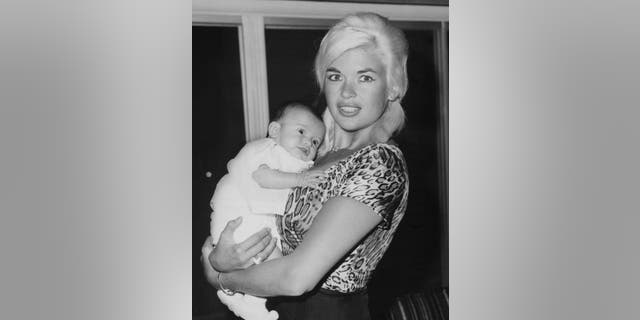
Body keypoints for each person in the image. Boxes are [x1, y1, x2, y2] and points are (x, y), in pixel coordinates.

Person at [202, 12, 410, 320]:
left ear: (392, 88)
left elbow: (296, 278)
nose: (347, 92)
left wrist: (221, 278)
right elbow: (236, 208)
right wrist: (221, 256)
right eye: (335, 75)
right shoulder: (315, 154)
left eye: (365, 77)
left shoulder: (380, 162)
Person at [209, 102, 326, 320]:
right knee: (274, 264)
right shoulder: (265, 150)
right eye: (301, 131)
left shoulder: (294, 161)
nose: (307, 142)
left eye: (315, 141)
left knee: (268, 264)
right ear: (274, 131)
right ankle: (248, 302)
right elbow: (263, 177)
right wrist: (300, 179)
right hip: (238, 216)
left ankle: (248, 301)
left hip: (253, 220)